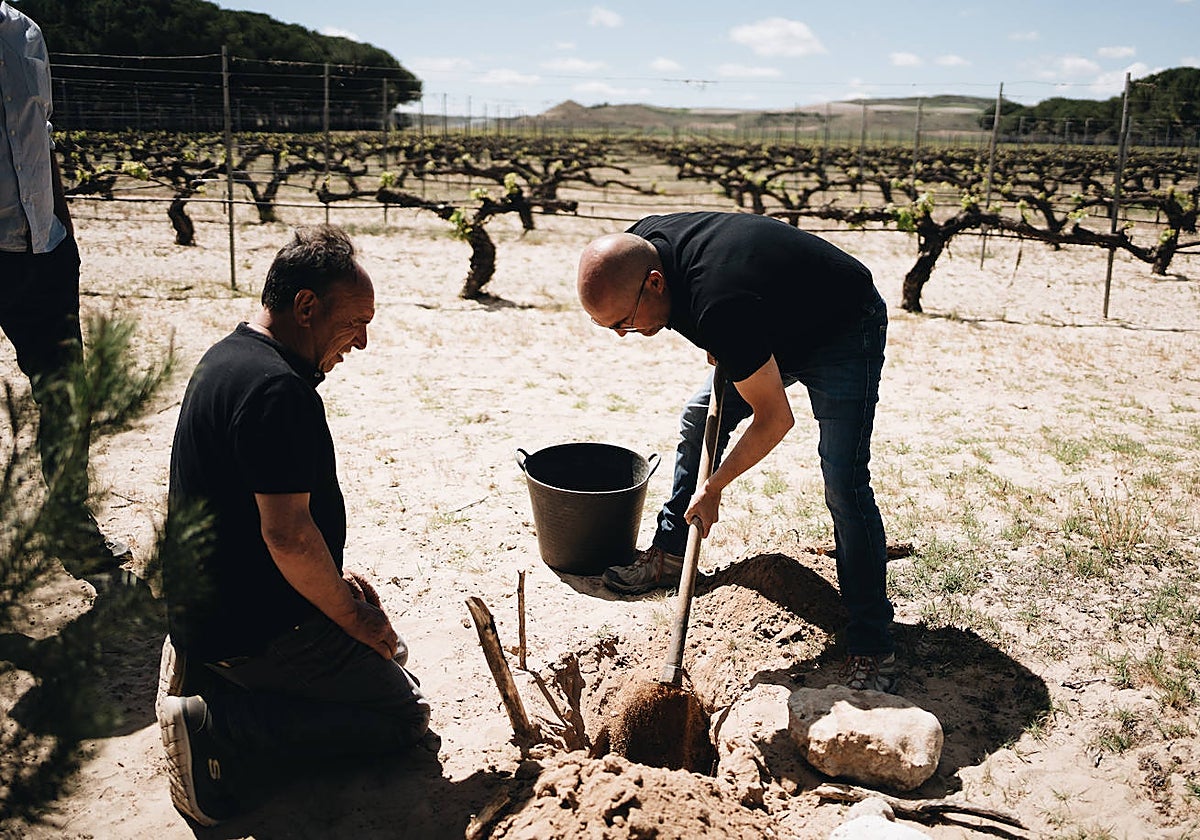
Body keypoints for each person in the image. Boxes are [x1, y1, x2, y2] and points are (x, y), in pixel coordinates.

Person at [158, 225, 430, 826]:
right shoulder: (280, 390)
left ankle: (221, 680)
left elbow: (247, 512)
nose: (361, 343)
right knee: (404, 716)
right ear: (306, 306)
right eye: (357, 322)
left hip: (214, 604)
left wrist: (334, 577)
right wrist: (350, 615)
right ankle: (221, 729)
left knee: (391, 656)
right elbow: (286, 535)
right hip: (255, 626)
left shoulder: (230, 357)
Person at [576, 211, 896, 693]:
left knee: (844, 483)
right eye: (609, 328)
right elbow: (713, 318)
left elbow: (775, 419)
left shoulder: (720, 304)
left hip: (843, 329)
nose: (623, 334)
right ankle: (670, 552)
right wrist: (724, 342)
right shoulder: (639, 246)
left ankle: (871, 641)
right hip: (767, 322)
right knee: (697, 415)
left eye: (623, 322)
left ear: (656, 283)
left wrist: (714, 487)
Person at [0, 0, 130, 578]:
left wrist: (62, 223)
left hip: (44, 248)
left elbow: (40, 130)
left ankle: (69, 525)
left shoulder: (25, 31)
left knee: (66, 394)